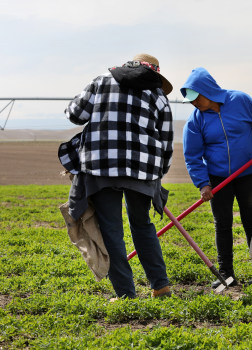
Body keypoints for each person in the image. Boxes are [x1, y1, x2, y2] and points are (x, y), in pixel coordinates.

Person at [63, 54, 174, 300]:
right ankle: (161, 287)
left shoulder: (100, 81)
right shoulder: (157, 94)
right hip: (143, 169)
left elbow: (74, 115)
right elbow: (166, 139)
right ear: (154, 73)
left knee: (111, 230)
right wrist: (157, 174)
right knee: (142, 225)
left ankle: (126, 295)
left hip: (101, 166)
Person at [180, 67, 252, 289]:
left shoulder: (241, 100)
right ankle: (226, 275)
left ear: (208, 91)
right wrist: (203, 184)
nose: (194, 103)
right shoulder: (195, 121)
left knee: (251, 222)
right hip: (218, 179)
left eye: (197, 98)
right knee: (222, 224)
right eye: (191, 100)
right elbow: (192, 156)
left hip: (248, 173)